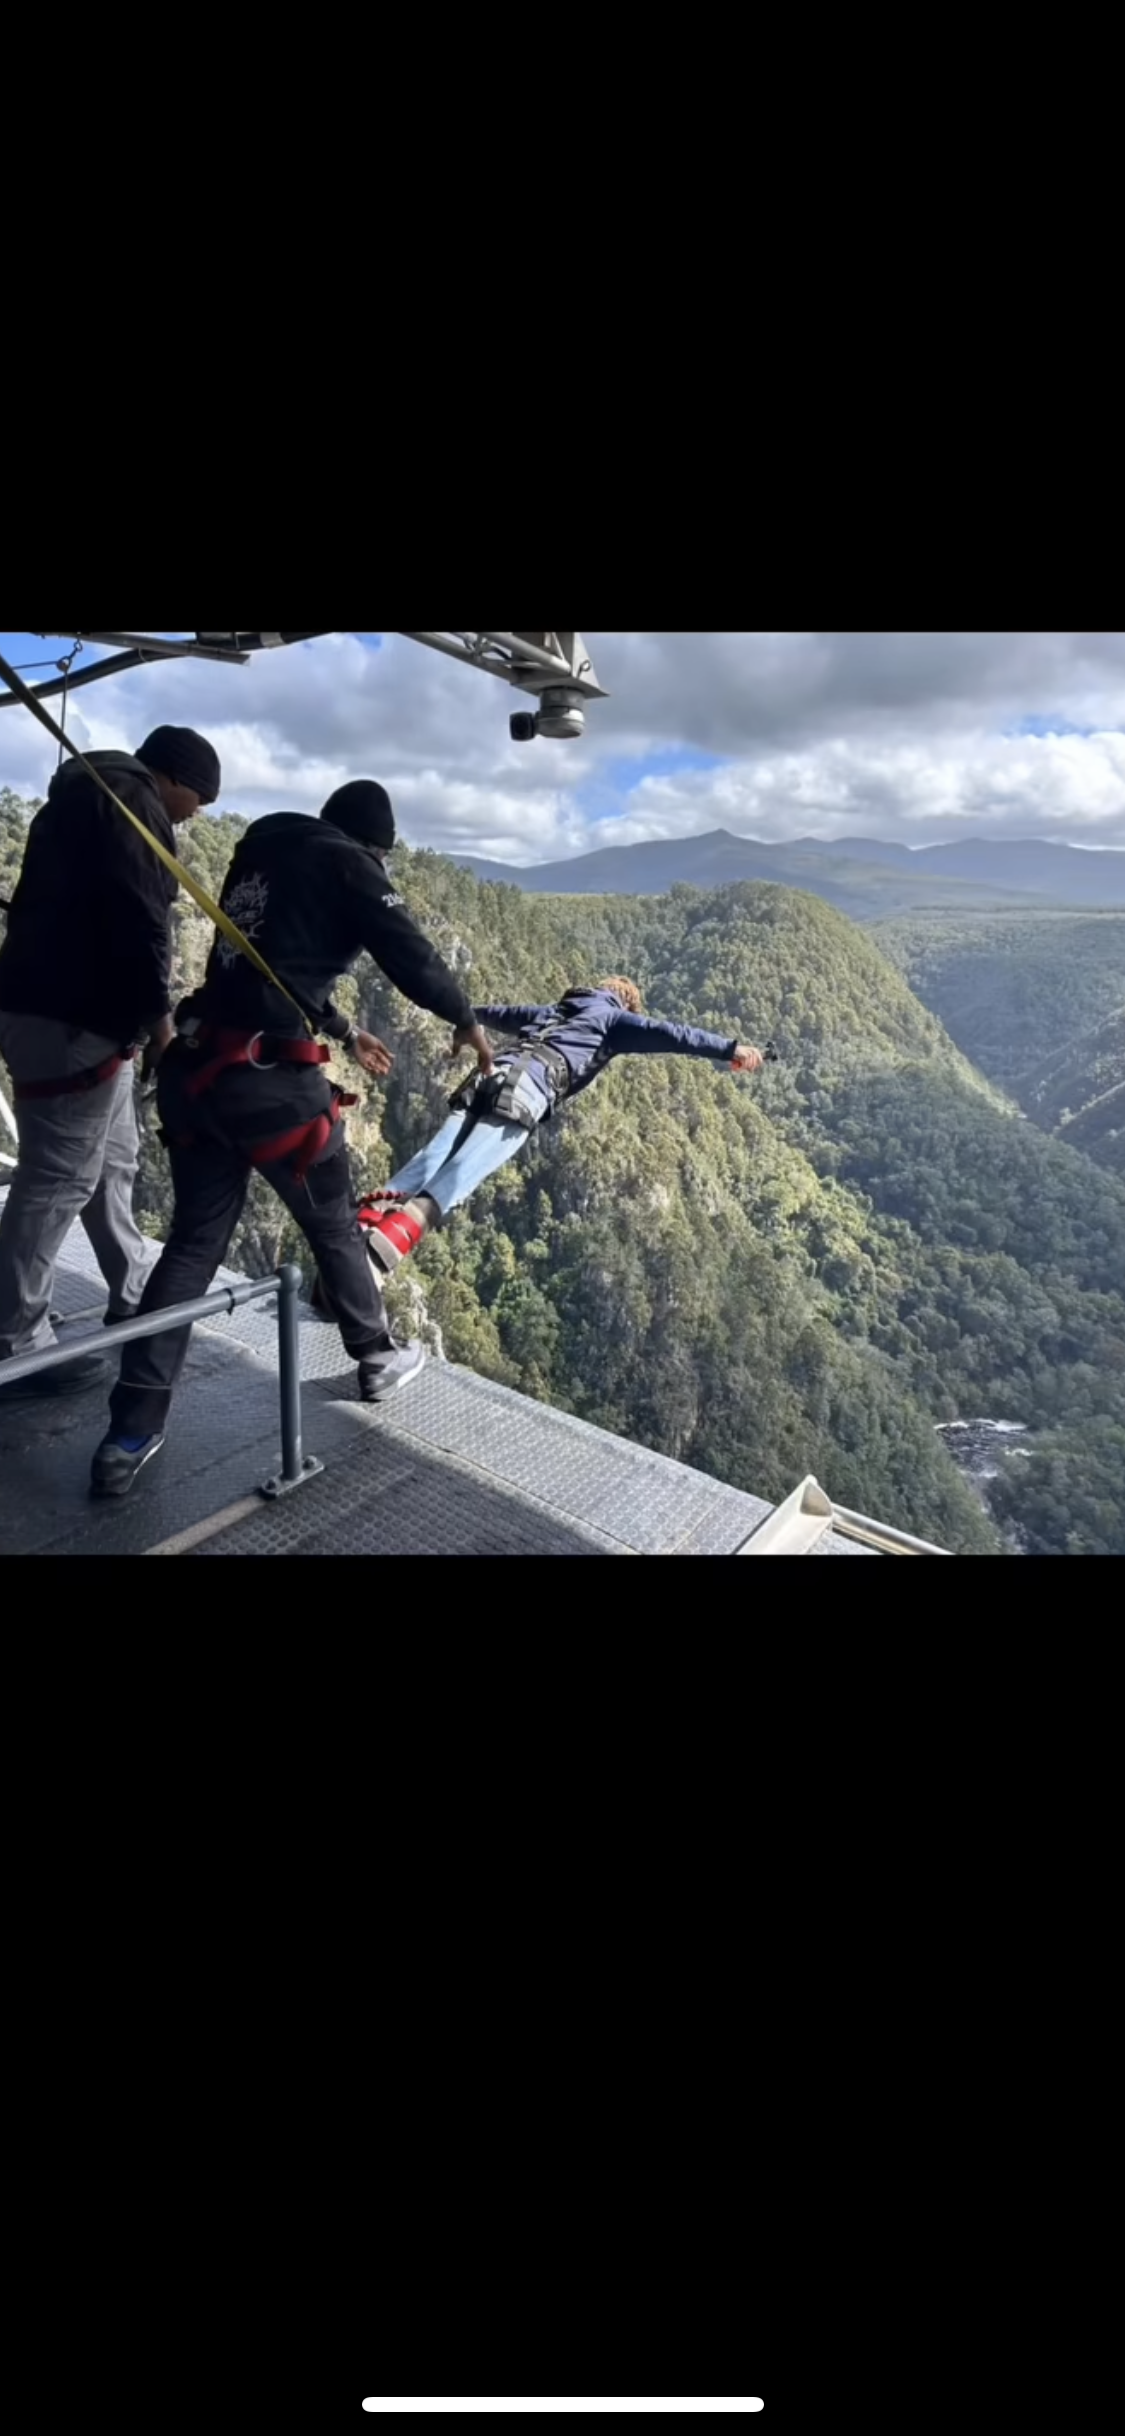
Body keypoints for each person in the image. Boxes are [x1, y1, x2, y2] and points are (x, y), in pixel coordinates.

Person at [89, 778, 494, 1496]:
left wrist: (343, 1028)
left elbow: (269, 966)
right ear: (371, 846)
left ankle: (129, 1433)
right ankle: (373, 1356)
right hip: (271, 1089)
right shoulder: (349, 863)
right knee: (333, 1226)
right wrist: (462, 1015)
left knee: (189, 1246)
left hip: (199, 1072)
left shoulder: (262, 855)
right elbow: (409, 951)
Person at [0, 725, 221, 1397]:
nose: (197, 815)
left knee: (112, 1160)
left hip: (64, 1015)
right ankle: (15, 1340)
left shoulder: (86, 798)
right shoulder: (131, 808)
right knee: (59, 1177)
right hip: (73, 1022)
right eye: (198, 801)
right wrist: (161, 1030)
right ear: (175, 780)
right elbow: (141, 925)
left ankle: (133, 1292)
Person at [359, 977, 765, 1270]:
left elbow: (496, 1014)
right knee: (457, 1177)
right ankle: (379, 1257)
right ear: (626, 1003)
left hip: (488, 1076)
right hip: (527, 1091)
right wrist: (730, 1049)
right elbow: (673, 1035)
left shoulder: (554, 1011)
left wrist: (461, 1016)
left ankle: (365, 1222)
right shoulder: (615, 1020)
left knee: (435, 1156)